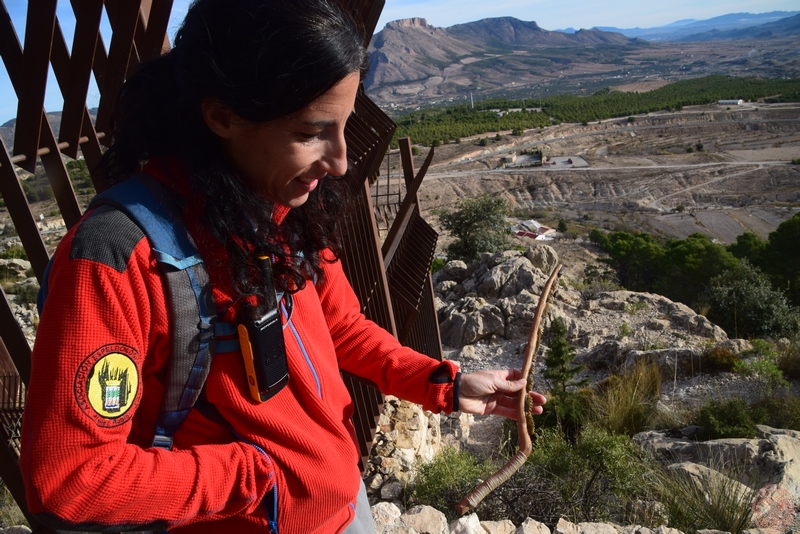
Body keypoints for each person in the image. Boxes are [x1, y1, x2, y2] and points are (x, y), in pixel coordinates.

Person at [20, 1, 546, 533]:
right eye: (310, 133)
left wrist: (444, 383)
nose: (339, 161)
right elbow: (72, 476)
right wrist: (261, 479)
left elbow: (342, 328)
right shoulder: (118, 259)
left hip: (339, 503)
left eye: (343, 126)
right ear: (223, 116)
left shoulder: (283, 211)